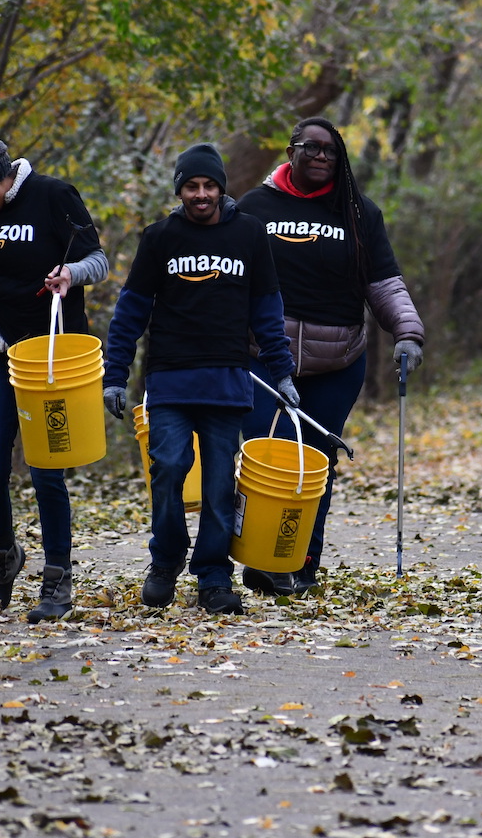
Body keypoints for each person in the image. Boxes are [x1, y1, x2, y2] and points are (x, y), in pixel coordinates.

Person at [103, 144, 298, 616]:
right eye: (192, 186)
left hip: (228, 381)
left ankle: (213, 577)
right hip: (169, 380)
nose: (202, 194)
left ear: (222, 189)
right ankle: (165, 561)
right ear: (180, 190)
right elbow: (130, 311)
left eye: (210, 185)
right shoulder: (160, 238)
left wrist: (282, 372)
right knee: (168, 469)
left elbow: (267, 311)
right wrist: (115, 375)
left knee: (217, 488)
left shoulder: (250, 235)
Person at [236, 116, 425, 595]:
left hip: (337, 361)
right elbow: (228, 276)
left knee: (314, 463)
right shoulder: (253, 208)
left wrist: (407, 332)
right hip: (263, 357)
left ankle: (300, 561)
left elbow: (382, 281)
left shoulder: (359, 212)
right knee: (264, 458)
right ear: (290, 150)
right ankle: (258, 560)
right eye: (311, 148)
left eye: (331, 151)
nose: (321, 157)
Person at [0, 121, 108, 622]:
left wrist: (70, 274)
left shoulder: (53, 195)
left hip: (50, 360)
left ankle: (58, 577)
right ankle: (3, 560)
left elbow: (99, 261)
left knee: (45, 473)